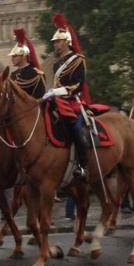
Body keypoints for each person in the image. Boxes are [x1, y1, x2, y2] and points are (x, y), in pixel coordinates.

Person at [43, 13, 90, 181]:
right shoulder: (56, 63)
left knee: (77, 129)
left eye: (58, 41)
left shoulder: (78, 60)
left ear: (66, 41)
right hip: (57, 102)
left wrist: (58, 92)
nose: (55, 44)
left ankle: (83, 166)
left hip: (73, 101)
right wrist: (50, 93)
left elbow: (78, 84)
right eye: (54, 42)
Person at [8, 28, 46, 99]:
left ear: (24, 55)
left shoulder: (36, 74)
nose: (12, 58)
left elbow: (40, 97)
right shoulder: (13, 75)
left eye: (15, 55)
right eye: (12, 56)